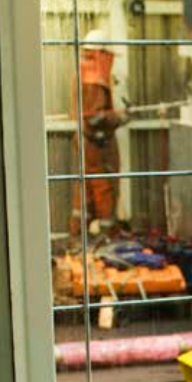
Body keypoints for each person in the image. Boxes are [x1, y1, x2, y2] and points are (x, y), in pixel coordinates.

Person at [69, 30, 129, 239]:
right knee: (103, 186)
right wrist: (119, 117)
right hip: (96, 144)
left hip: (86, 141)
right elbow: (95, 117)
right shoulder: (94, 78)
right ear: (100, 53)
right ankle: (106, 235)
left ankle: (78, 236)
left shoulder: (82, 72)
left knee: (85, 188)